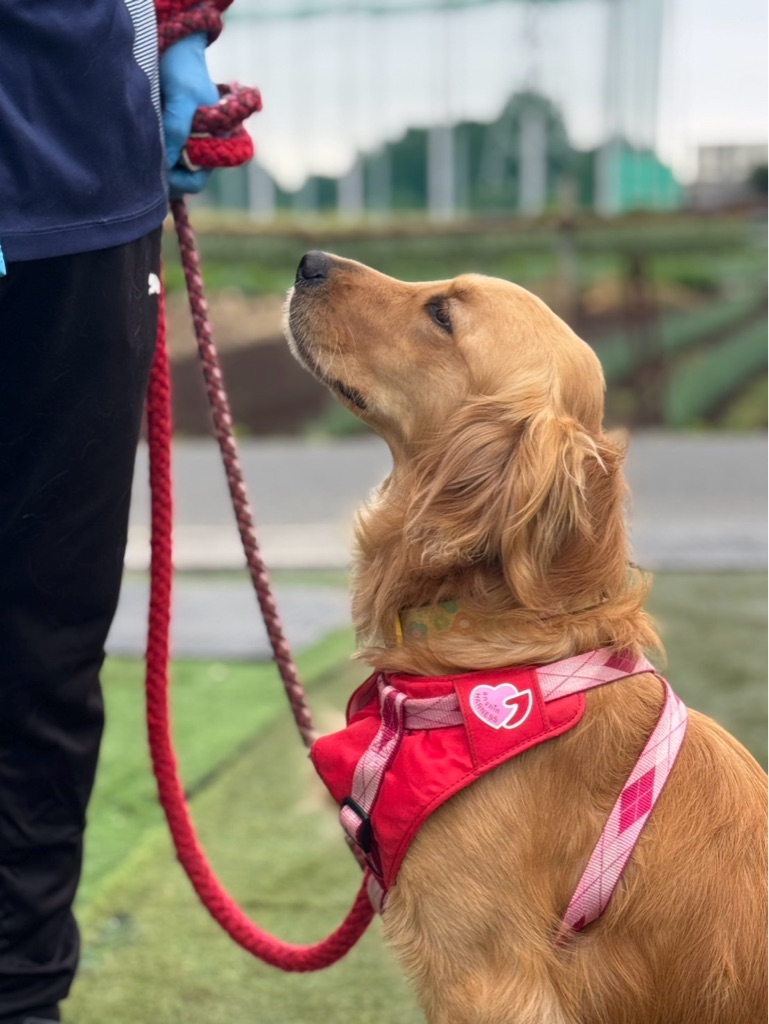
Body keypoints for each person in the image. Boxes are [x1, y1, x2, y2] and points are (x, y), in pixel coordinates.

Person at [0, 2, 232, 1019]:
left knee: (45, 653)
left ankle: (21, 997)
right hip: (80, 178)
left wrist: (179, 30)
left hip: (83, 176)